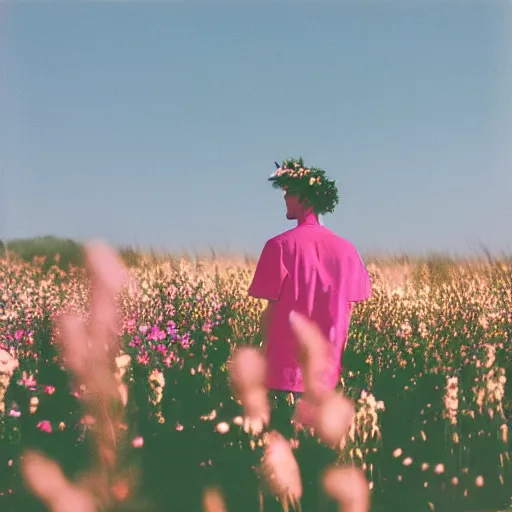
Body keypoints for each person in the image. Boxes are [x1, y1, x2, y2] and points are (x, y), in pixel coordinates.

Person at [248, 157, 372, 399]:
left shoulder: (278, 246)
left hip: (281, 375)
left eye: (290, 192)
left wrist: (255, 351)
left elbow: (270, 313)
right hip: (327, 375)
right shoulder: (347, 250)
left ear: (305, 198)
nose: (285, 197)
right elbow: (349, 312)